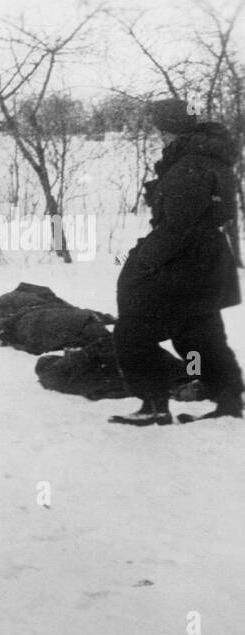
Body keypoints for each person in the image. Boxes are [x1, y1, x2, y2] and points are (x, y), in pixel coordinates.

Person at [110, 98, 243, 426]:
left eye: (162, 129)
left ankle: (154, 403)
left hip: (182, 260)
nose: (161, 136)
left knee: (132, 333)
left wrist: (141, 261)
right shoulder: (212, 157)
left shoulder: (191, 163)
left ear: (172, 129)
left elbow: (177, 224)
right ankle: (226, 400)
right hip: (207, 259)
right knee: (198, 335)